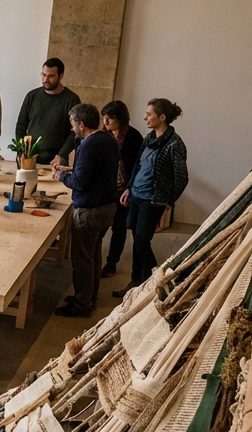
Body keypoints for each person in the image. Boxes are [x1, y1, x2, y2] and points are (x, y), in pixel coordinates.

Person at [113, 99, 188, 297]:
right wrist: (129, 189)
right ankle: (137, 282)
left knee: (142, 241)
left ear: (162, 117)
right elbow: (138, 166)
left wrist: (169, 201)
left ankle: (156, 282)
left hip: (153, 200)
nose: (145, 117)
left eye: (149, 114)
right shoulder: (149, 138)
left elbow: (181, 177)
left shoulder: (174, 144)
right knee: (137, 240)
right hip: (137, 195)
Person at [52, 103, 121, 318]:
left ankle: (82, 305)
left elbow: (79, 182)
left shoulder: (88, 145)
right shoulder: (108, 138)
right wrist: (71, 171)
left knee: (82, 260)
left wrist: (61, 176)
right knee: (94, 255)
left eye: (73, 124)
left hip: (89, 211)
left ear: (81, 124)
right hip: (107, 207)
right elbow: (94, 172)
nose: (72, 128)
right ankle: (90, 296)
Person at [99, 101, 144, 279]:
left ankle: (112, 263)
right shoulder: (104, 135)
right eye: (104, 116)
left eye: (110, 117)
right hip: (106, 189)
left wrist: (129, 188)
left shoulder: (134, 137)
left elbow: (138, 166)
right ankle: (95, 260)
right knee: (101, 227)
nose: (106, 121)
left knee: (119, 228)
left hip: (124, 189)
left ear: (120, 118)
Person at [14, 58, 80, 166]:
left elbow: (74, 132)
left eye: (51, 76)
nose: (45, 80)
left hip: (56, 158)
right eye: (43, 75)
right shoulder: (32, 96)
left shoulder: (72, 100)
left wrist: (62, 154)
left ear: (61, 75)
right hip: (30, 155)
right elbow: (21, 125)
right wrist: (22, 149)